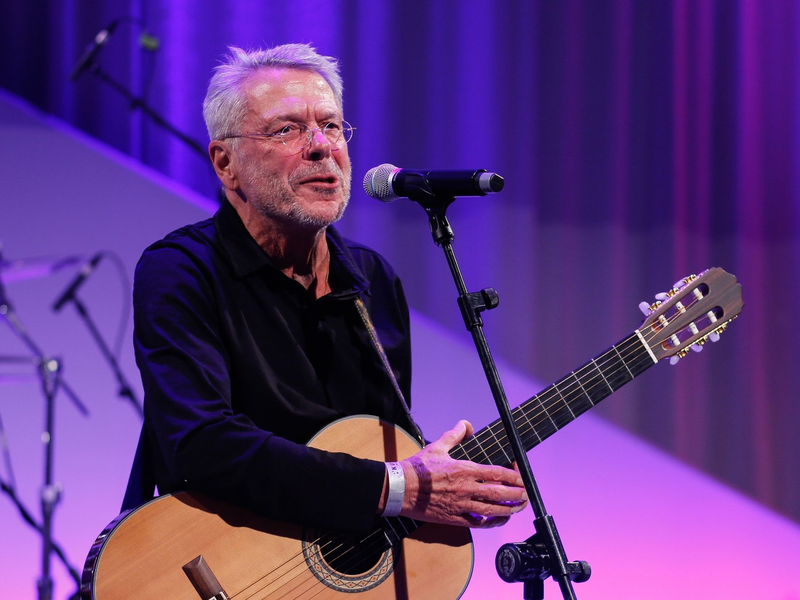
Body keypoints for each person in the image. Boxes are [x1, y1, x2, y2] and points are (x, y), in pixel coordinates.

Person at [126, 43, 527, 534]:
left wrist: (449, 490)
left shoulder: (372, 278)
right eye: (287, 129)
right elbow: (202, 445)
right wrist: (402, 488)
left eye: (332, 125)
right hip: (210, 569)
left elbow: (376, 451)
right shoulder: (181, 271)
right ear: (225, 163)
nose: (322, 146)